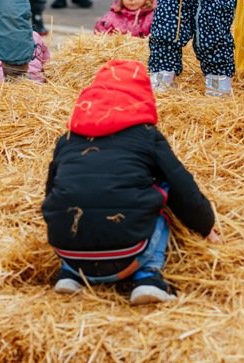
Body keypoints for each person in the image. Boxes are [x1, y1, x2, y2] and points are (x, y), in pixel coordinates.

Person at [42, 59, 221, 305]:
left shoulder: (68, 138)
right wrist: (205, 224)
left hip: (69, 251)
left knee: (75, 200)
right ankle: (148, 279)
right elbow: (182, 187)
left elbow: (51, 191)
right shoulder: (147, 137)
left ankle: (70, 275)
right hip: (130, 255)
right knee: (162, 195)